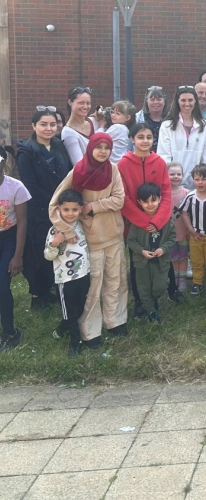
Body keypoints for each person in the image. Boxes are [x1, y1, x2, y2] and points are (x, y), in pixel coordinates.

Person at [49, 133, 127, 346]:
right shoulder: (78, 171)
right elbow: (54, 205)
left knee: (116, 280)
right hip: (90, 239)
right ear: (90, 148)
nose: (103, 151)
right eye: (98, 147)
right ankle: (91, 331)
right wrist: (67, 230)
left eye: (107, 147)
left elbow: (119, 199)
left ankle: (115, 321)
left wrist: (93, 206)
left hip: (114, 234)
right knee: (92, 287)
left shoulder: (113, 169)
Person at [18, 107, 72, 310]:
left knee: (60, 249)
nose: (48, 128)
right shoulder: (26, 152)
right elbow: (30, 186)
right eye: (43, 124)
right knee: (41, 253)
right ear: (34, 126)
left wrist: (65, 203)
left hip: (63, 208)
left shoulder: (59, 146)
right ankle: (39, 294)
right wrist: (54, 204)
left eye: (52, 124)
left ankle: (58, 289)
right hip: (40, 211)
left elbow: (68, 174)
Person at [118, 122, 174, 310]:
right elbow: (123, 197)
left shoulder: (159, 162)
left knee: (162, 256)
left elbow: (166, 193)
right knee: (138, 262)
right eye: (140, 137)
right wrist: (143, 221)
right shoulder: (123, 164)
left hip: (160, 223)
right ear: (132, 139)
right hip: (134, 224)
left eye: (149, 137)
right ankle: (140, 301)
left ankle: (166, 291)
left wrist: (158, 221)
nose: (145, 141)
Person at [45, 189, 91, 356]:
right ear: (59, 209)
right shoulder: (55, 230)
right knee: (70, 312)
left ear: (80, 209)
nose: (70, 213)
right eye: (66, 209)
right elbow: (48, 255)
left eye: (74, 209)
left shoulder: (82, 225)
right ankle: (75, 342)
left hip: (84, 275)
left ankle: (63, 326)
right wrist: (55, 243)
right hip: (65, 279)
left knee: (79, 309)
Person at [126, 182, 176, 323]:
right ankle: (150, 310)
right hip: (142, 263)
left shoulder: (166, 221)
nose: (150, 205)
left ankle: (153, 300)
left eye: (153, 200)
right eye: (145, 201)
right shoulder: (137, 222)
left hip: (161, 262)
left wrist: (163, 248)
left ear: (160, 199)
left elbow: (172, 237)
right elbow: (131, 241)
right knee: (144, 288)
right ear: (139, 202)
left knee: (160, 287)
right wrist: (141, 251)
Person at [0, 147, 29, 351]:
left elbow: (22, 222)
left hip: (8, 238)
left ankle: (10, 332)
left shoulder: (16, 187)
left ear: (4, 163)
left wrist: (18, 256)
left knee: (2, 286)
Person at [158, 86, 206, 188]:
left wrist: (205, 183)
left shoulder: (204, 125)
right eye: (183, 100)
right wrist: (171, 179)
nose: (187, 104)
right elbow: (164, 156)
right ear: (177, 102)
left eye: (190, 100)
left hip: (197, 185)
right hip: (173, 185)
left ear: (195, 101)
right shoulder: (167, 125)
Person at [177, 163, 206, 298]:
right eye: (197, 179)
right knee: (196, 260)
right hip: (195, 236)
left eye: (204, 179)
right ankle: (197, 282)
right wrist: (191, 230)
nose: (200, 182)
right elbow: (184, 213)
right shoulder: (191, 197)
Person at [167, 162, 190, 299]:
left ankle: (182, 280)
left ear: (182, 175)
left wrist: (189, 229)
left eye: (178, 174)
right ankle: (174, 279)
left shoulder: (186, 193)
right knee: (173, 258)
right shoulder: (163, 193)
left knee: (183, 257)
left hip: (183, 232)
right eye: (172, 174)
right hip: (169, 234)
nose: (175, 176)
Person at [62, 87, 98, 165]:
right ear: (70, 102)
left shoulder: (94, 121)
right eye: (81, 103)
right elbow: (79, 164)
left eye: (88, 103)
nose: (85, 107)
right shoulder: (68, 133)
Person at [135, 86, 167, 152]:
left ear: (164, 102)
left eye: (159, 99)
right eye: (152, 100)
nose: (156, 102)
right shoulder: (137, 118)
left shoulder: (170, 118)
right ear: (147, 101)